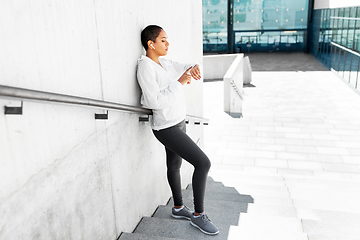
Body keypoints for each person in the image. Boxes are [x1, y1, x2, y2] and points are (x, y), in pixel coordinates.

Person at [136, 25, 219, 235]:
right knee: (203, 163)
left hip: (178, 121)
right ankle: (199, 216)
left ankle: (178, 208)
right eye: (163, 40)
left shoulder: (162, 62)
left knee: (174, 165)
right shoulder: (145, 67)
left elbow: (181, 65)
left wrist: (193, 67)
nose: (168, 43)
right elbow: (154, 101)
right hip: (166, 126)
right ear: (151, 44)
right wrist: (180, 82)